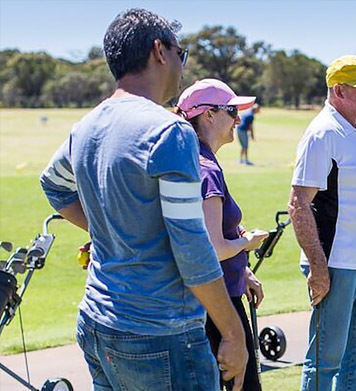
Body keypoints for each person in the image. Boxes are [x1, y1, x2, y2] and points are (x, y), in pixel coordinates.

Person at [39, 8, 247, 391]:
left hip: (97, 323)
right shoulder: (170, 131)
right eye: (180, 53)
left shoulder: (86, 126)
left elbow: (53, 186)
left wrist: (110, 229)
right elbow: (191, 247)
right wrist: (233, 334)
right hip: (160, 334)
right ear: (158, 52)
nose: (181, 65)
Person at [287, 55, 356, 391]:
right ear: (338, 90)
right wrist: (318, 267)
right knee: (325, 359)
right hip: (336, 262)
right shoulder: (323, 133)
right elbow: (299, 204)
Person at [176, 79, 269, 391]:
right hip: (219, 305)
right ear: (209, 115)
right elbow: (213, 248)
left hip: (207, 299)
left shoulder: (193, 159)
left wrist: (242, 268)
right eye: (232, 111)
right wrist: (249, 243)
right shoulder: (207, 169)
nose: (239, 120)